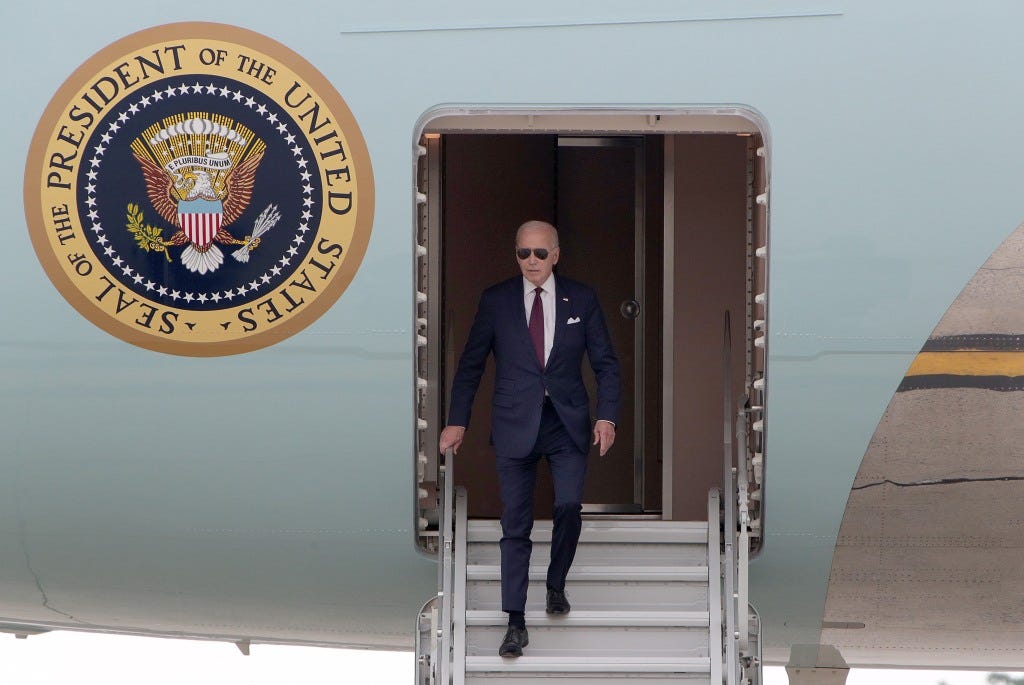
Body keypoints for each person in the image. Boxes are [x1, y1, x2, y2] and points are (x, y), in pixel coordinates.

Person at [439, 220, 620, 658]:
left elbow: (606, 364)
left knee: (567, 505)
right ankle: (515, 622)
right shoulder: (496, 300)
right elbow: (471, 366)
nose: (532, 262)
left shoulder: (582, 297)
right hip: (514, 422)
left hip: (566, 421)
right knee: (514, 525)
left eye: (540, 253)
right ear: (515, 254)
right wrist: (457, 420)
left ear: (556, 254)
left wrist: (607, 417)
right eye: (524, 254)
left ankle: (556, 583)